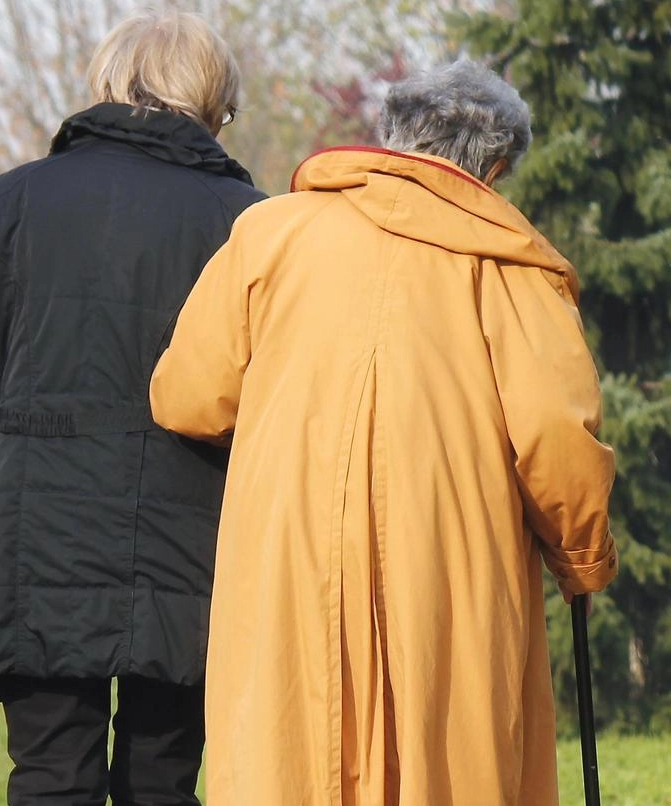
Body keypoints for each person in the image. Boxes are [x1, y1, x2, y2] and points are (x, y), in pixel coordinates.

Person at [150, 60, 618, 805]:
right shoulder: (513, 272)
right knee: (447, 759)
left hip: (289, 554)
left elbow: (187, 398)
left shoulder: (269, 234)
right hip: (451, 564)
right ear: (493, 167)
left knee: (292, 753)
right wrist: (583, 560)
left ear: (391, 137)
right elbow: (556, 442)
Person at [0, 11, 264, 805]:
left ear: (108, 83)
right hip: (193, 538)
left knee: (48, 776)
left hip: (34, 530)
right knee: (163, 776)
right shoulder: (248, 222)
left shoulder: (17, 200)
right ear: (213, 101)